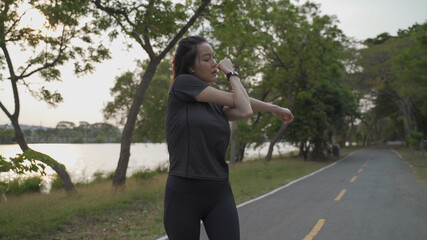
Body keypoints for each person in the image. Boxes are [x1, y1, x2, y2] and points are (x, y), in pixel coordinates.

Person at [164, 35, 293, 240]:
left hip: (219, 191)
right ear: (190, 67)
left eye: (214, 57)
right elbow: (243, 106)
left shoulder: (213, 102)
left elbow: (241, 107)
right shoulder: (182, 83)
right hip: (184, 193)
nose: (215, 63)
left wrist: (275, 108)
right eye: (206, 59)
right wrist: (232, 74)